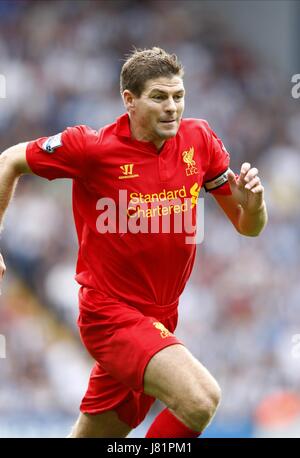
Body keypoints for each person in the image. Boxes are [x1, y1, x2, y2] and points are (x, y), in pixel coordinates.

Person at [0, 47, 267, 438]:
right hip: (110, 317)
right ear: (130, 100)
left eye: (178, 96)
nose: (172, 107)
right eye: (159, 97)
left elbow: (248, 226)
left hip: (160, 319)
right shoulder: (91, 147)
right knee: (200, 399)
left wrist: (256, 204)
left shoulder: (200, 140)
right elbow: (8, 160)